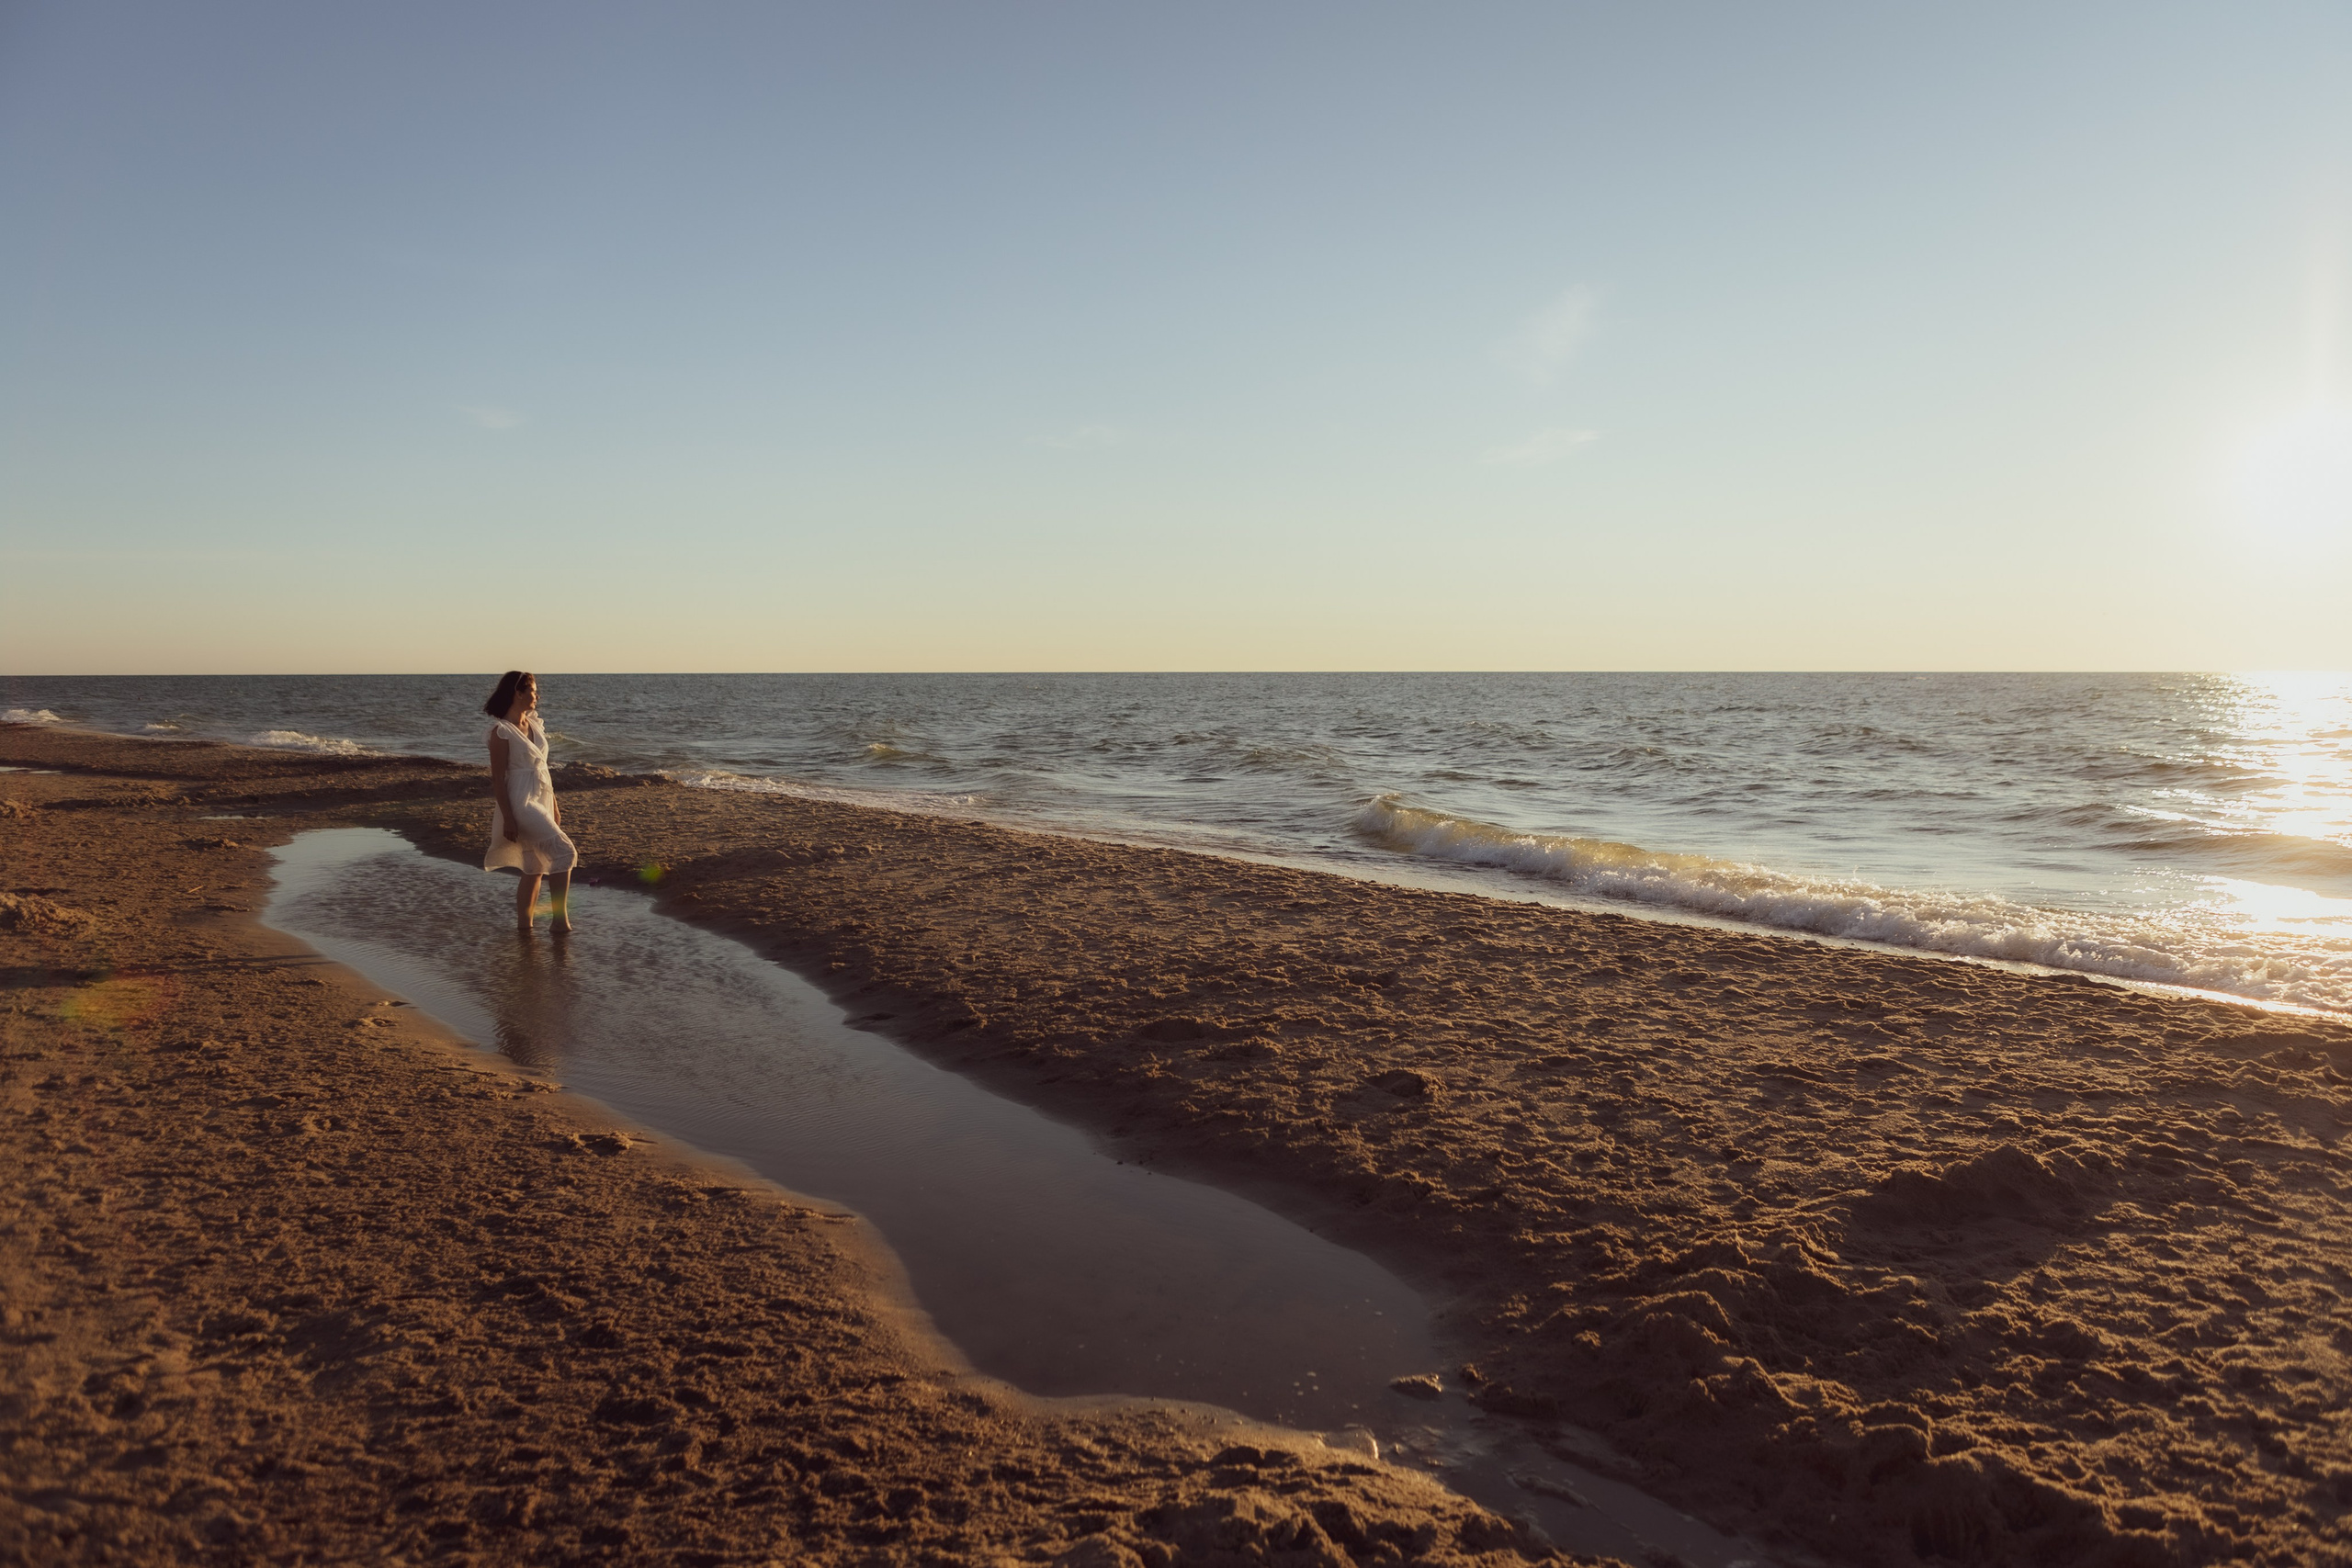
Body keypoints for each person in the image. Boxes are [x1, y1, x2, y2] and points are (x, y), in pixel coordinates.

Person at [482, 671, 577, 934]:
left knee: (534, 867)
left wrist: (554, 805)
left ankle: (524, 928)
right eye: (533, 691)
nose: (537, 696)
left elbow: (543, 768)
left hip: (542, 796)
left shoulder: (534, 724)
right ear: (518, 693)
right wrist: (509, 818)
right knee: (565, 852)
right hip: (520, 800)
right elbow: (498, 779)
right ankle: (560, 922)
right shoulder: (501, 732)